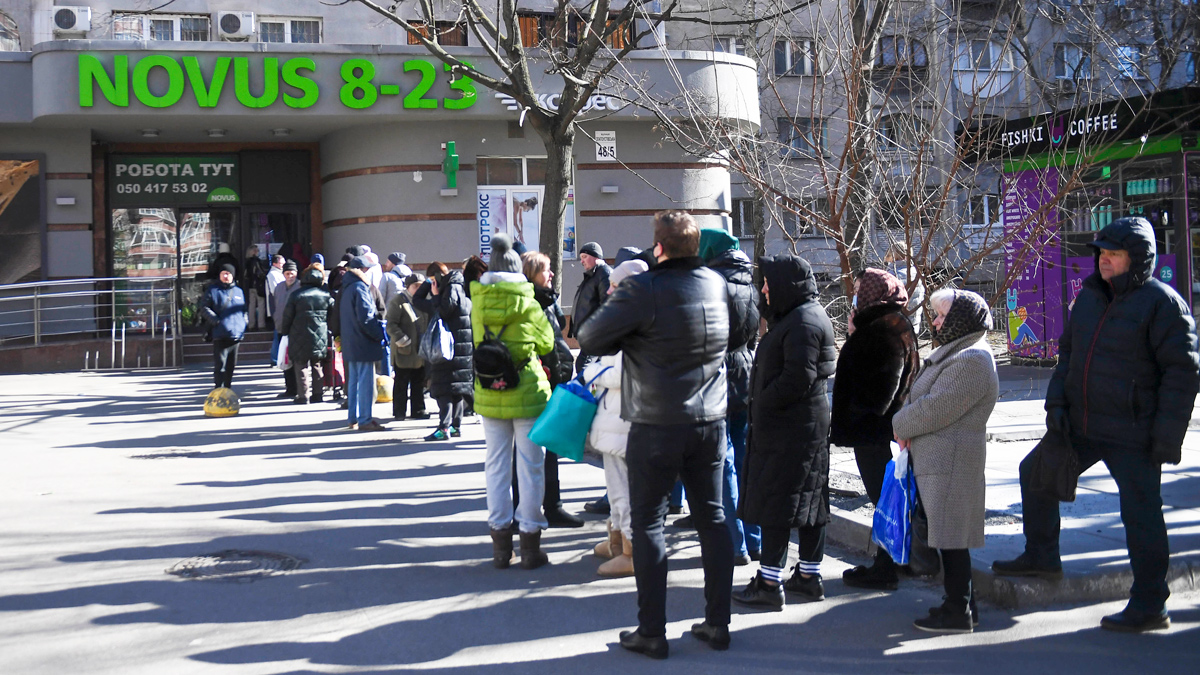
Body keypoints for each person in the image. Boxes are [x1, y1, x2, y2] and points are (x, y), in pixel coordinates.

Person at [993, 216, 1200, 633]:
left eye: (1114, 255)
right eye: (1102, 254)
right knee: (1035, 472)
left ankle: (1149, 604)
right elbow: (1068, 354)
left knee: (1140, 514)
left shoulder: (1162, 303)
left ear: (1138, 260)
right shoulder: (1089, 297)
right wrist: (1056, 405)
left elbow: (1183, 374)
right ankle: (1042, 558)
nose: (1104, 261)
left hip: (1132, 432)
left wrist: (1166, 438)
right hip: (1083, 422)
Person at [577, 210, 734, 659]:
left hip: (657, 421)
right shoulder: (716, 283)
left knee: (648, 523)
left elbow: (589, 335)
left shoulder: (644, 288)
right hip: (709, 420)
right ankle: (717, 623)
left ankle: (652, 631)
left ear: (659, 248)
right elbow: (738, 332)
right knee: (714, 517)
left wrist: (626, 322)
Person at [732, 254, 836, 611]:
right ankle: (808, 577)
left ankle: (770, 583)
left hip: (791, 427)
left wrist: (761, 403)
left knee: (781, 502)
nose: (763, 290)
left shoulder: (803, 321)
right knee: (807, 501)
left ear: (786, 286)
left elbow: (797, 378)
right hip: (801, 425)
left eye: (767, 283)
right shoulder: (801, 315)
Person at [891, 288, 997, 633]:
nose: (936, 323)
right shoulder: (958, 353)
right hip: (942, 461)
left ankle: (958, 610)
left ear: (961, 320)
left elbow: (937, 408)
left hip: (952, 462)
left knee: (952, 539)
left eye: (942, 316)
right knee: (949, 538)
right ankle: (962, 604)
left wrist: (899, 423)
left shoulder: (972, 359)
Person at [831, 268, 920, 591]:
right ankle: (896, 560)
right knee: (889, 497)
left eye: (858, 290)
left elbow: (880, 387)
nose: (855, 295)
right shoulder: (893, 322)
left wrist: (858, 416)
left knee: (882, 499)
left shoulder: (880, 330)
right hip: (886, 429)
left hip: (873, 431)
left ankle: (885, 567)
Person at [471, 234, 556, 570]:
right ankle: (531, 546)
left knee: (495, 465)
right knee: (531, 467)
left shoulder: (477, 303)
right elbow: (548, 342)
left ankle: (500, 547)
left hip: (490, 391)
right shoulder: (529, 303)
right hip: (527, 392)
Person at [582, 258, 650, 577]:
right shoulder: (630, 315)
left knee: (625, 487)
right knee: (617, 484)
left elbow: (621, 370)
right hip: (619, 415)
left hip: (627, 417)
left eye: (615, 285)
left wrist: (593, 372)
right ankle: (617, 539)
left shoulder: (640, 318)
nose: (608, 289)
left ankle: (631, 551)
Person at [699, 227, 761, 565]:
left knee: (723, 464)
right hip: (745, 374)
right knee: (745, 457)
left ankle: (733, 544)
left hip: (716, 377)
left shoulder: (711, 284)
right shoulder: (749, 284)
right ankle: (755, 540)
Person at [517, 250, 586, 528]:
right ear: (532, 273)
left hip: (555, 377)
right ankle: (531, 510)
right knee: (533, 448)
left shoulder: (546, 298)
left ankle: (551, 506)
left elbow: (558, 329)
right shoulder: (528, 301)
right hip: (540, 380)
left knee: (551, 446)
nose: (552, 274)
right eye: (546, 270)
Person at [412, 261, 473, 441]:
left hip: (448, 348)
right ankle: (455, 426)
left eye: (432, 279)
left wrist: (435, 293)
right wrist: (432, 283)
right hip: (461, 347)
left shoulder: (450, 290)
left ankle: (444, 427)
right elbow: (419, 301)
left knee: (444, 389)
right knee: (456, 389)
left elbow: (445, 310)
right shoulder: (460, 287)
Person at [339, 256, 387, 432]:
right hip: (363, 342)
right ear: (362, 270)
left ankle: (354, 418)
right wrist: (379, 335)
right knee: (365, 383)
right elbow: (367, 317)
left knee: (354, 382)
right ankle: (365, 419)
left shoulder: (347, 287)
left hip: (351, 341)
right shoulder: (360, 287)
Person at [280, 266, 333, 405]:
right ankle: (318, 394)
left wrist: (284, 331)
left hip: (298, 334)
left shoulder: (296, 295)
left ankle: (303, 395)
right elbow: (332, 316)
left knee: (300, 365)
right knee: (317, 364)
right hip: (320, 335)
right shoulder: (326, 296)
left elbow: (287, 316)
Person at [385, 272, 431, 421]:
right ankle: (399, 412)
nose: (418, 289)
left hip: (420, 351)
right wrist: (403, 340)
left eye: (421, 286)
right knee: (401, 382)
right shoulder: (398, 301)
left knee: (418, 382)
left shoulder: (424, 301)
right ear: (408, 287)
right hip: (404, 350)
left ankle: (418, 410)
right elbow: (391, 324)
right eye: (415, 286)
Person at [199, 264, 247, 390]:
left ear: (233, 275)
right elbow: (204, 307)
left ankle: (227, 389)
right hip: (220, 334)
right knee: (220, 365)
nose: (226, 276)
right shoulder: (213, 290)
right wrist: (216, 321)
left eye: (228, 273)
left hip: (236, 334)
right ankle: (218, 389)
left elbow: (243, 310)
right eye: (223, 273)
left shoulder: (239, 291)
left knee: (231, 365)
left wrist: (244, 323)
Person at [568, 241, 612, 374]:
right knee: (586, 368)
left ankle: (586, 394)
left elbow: (608, 305)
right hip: (590, 335)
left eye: (584, 257)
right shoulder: (593, 275)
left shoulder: (604, 274)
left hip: (595, 335)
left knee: (583, 368)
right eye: (581, 257)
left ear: (596, 257)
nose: (582, 261)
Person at [272, 260, 302, 399]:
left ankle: (298, 388)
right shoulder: (278, 287)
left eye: (292, 273)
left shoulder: (301, 287)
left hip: (296, 329)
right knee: (285, 360)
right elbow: (274, 305)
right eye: (287, 273)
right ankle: (289, 388)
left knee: (297, 361)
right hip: (281, 328)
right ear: (283, 274)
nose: (290, 276)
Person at [885, 244, 926, 334]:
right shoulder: (917, 273)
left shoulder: (891, 275)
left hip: (894, 327)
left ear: (892, 255)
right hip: (913, 324)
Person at [265, 254, 286, 366]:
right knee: (278, 333)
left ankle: (277, 357)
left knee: (278, 333)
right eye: (281, 262)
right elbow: (275, 291)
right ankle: (274, 358)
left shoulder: (278, 274)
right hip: (277, 307)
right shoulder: (272, 275)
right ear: (275, 263)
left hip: (280, 306)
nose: (283, 265)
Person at [242, 245, 268, 331]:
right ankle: (261, 324)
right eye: (256, 251)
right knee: (261, 304)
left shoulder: (247, 262)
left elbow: (246, 275)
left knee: (251, 305)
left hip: (250, 286)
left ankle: (251, 324)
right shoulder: (256, 261)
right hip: (258, 285)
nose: (258, 252)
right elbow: (260, 273)